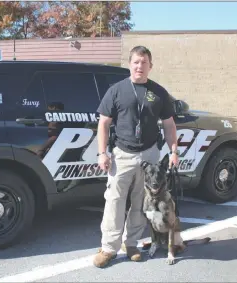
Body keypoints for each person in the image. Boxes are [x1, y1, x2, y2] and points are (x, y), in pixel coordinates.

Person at [93, 46, 179, 268]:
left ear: (151, 65)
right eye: (136, 62)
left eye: (144, 62)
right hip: (122, 154)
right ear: (130, 64)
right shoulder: (116, 90)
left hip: (150, 155)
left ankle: (131, 244)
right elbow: (103, 123)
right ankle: (108, 248)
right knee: (114, 201)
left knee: (142, 204)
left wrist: (174, 151)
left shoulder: (159, 93)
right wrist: (102, 153)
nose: (140, 66)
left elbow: (169, 125)